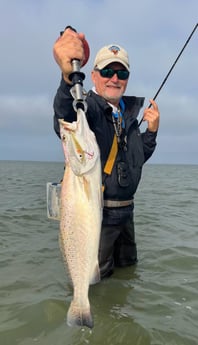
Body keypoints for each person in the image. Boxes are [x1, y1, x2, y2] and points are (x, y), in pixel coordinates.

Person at [53, 28, 160, 279]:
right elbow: (65, 115)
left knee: (127, 276)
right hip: (98, 217)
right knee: (92, 282)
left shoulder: (129, 116)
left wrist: (151, 134)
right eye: (107, 71)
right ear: (94, 75)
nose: (114, 78)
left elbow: (135, 160)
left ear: (127, 78)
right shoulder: (87, 108)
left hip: (127, 215)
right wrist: (68, 78)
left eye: (121, 72)